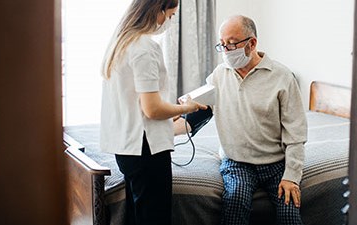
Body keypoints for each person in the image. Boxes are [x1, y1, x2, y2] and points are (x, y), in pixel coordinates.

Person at [177, 15, 307, 225]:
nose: (226, 51)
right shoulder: (219, 75)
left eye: (231, 44)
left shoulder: (282, 77)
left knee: (290, 213)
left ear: (252, 43)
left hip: (276, 163)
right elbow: (197, 109)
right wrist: (164, 123)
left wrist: (291, 176)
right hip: (237, 162)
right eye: (222, 44)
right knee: (235, 200)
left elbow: (296, 132)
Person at [100, 0, 207, 224]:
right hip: (146, 149)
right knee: (154, 218)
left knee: (138, 215)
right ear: (157, 10)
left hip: (127, 147)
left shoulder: (121, 43)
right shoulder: (144, 48)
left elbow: (136, 103)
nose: (169, 21)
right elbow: (152, 109)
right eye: (170, 15)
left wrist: (173, 111)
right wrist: (187, 107)